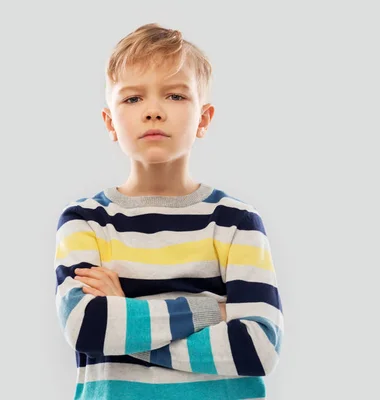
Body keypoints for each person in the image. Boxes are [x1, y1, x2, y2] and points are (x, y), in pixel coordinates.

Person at [54, 22, 283, 400]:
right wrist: (214, 312)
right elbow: (89, 328)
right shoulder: (85, 222)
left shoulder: (236, 223)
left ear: (204, 118)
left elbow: (258, 348)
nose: (154, 111)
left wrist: (125, 316)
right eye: (132, 99)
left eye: (175, 96)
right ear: (110, 122)